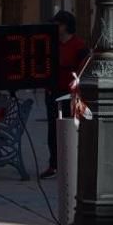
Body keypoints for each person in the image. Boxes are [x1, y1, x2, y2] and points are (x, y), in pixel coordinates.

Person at [42, 10, 89, 179]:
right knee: (53, 131)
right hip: (53, 94)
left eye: (58, 24)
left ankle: (74, 165)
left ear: (66, 26)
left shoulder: (79, 46)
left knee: (72, 129)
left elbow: (83, 70)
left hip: (71, 95)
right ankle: (54, 165)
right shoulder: (52, 44)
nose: (55, 27)